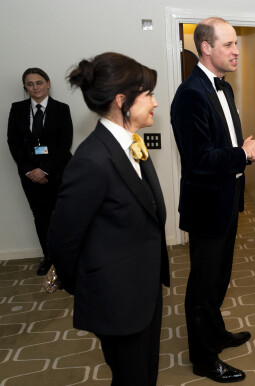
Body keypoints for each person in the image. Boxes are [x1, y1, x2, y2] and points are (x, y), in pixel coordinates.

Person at [48, 52, 169, 386]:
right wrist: (94, 286)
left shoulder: (129, 142)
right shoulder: (92, 160)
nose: (155, 103)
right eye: (148, 95)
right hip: (117, 301)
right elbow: (62, 240)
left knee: (146, 375)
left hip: (143, 290)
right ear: (122, 101)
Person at [170, 17, 255, 383]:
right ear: (206, 48)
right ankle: (203, 357)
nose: (236, 50)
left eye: (236, 44)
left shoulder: (224, 89)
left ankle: (215, 334)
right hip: (206, 205)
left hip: (228, 200)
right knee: (203, 285)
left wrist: (243, 150)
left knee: (220, 277)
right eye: (228, 44)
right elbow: (199, 161)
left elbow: (225, 145)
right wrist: (244, 154)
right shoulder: (190, 94)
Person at [7, 68, 73, 275]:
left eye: (39, 82)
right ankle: (49, 257)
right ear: (25, 87)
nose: (35, 87)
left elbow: (65, 144)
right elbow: (13, 143)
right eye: (29, 84)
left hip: (59, 172)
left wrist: (45, 170)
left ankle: (69, 257)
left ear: (48, 83)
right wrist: (30, 171)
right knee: (41, 217)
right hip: (30, 176)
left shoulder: (61, 109)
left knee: (64, 216)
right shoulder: (17, 109)